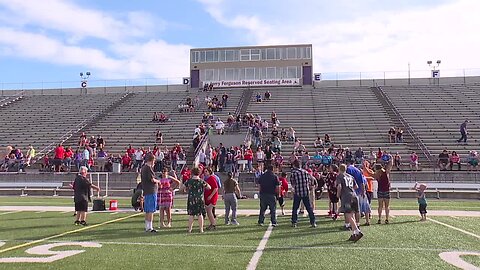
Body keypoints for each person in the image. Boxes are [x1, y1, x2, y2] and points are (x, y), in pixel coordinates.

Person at [336, 164, 363, 242]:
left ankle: (358, 231)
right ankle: (354, 233)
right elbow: (356, 186)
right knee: (352, 214)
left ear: (339, 169)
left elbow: (340, 186)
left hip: (346, 197)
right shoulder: (350, 176)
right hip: (354, 195)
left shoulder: (340, 176)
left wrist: (338, 195)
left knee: (348, 215)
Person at [290, 160, 317, 228]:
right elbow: (311, 180)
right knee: (309, 208)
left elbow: (293, 183)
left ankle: (294, 222)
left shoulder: (294, 173)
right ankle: (313, 222)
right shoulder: (305, 172)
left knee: (295, 208)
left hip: (298, 192)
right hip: (305, 192)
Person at [184, 167, 211, 233]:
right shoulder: (201, 181)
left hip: (191, 199)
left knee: (191, 214)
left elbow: (183, 188)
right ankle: (201, 229)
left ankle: (190, 229)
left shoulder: (189, 180)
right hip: (199, 199)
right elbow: (209, 187)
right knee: (200, 214)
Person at [141, 153, 162, 233]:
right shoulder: (148, 168)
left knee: (148, 210)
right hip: (151, 190)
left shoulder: (143, 168)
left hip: (147, 190)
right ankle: (150, 227)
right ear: (152, 160)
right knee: (151, 210)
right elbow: (152, 180)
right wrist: (158, 181)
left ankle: (147, 226)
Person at [374, 158, 393, 224]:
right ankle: (387, 219)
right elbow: (390, 165)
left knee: (380, 206)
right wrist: (390, 159)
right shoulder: (385, 172)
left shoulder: (377, 175)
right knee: (387, 206)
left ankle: (379, 219)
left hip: (380, 190)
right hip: (386, 190)